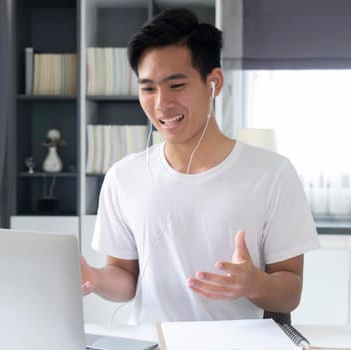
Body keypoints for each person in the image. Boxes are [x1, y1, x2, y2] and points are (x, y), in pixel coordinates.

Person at [80, 8, 320, 325]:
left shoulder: (272, 174)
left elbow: (291, 291)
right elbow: (126, 277)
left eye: (176, 85)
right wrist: (94, 279)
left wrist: (253, 283)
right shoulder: (123, 177)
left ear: (214, 82)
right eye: (148, 88)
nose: (161, 103)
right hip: (154, 344)